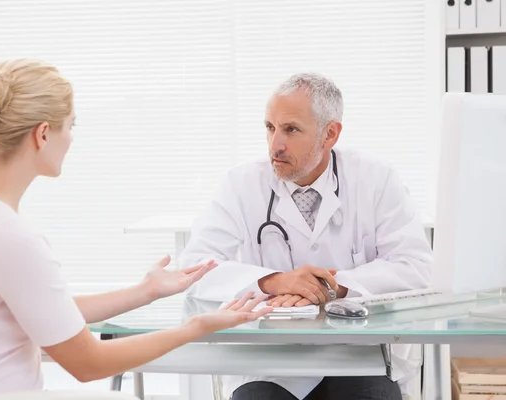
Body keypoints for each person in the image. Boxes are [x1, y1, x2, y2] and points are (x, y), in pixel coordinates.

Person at [0, 59, 272, 400]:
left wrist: (146, 291)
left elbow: (49, 310)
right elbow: (89, 363)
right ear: (42, 134)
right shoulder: (5, 236)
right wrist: (196, 328)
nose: (71, 138)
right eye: (70, 125)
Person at [179, 73, 433, 400]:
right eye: (270, 128)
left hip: (359, 351)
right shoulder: (240, 184)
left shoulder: (376, 179)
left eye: (291, 130)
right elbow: (194, 268)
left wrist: (333, 284)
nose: (275, 145)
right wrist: (274, 281)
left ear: (330, 133)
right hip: (272, 357)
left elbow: (416, 267)